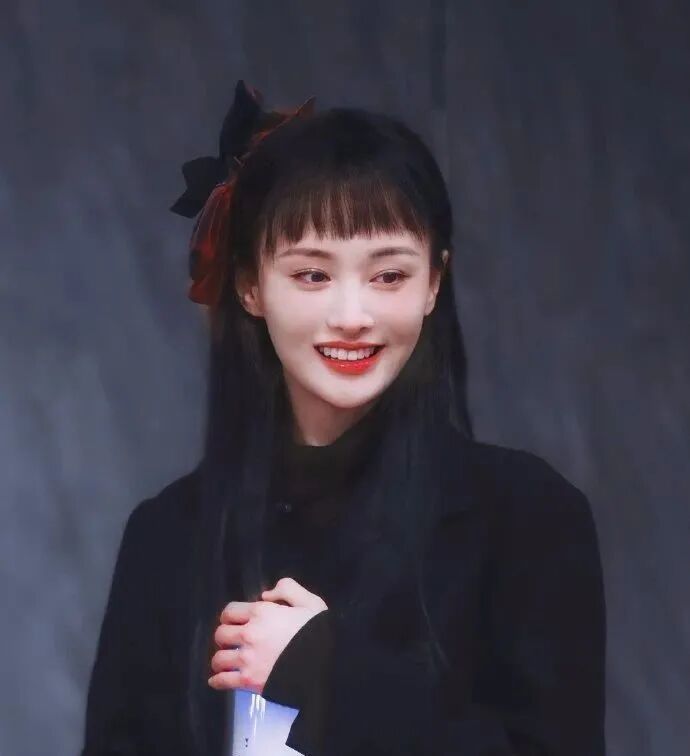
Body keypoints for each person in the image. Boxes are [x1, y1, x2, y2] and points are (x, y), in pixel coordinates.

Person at [80, 80, 607, 756]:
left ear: (434, 282)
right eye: (312, 275)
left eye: (388, 276)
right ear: (250, 285)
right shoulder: (168, 536)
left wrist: (325, 673)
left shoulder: (526, 518)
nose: (352, 316)